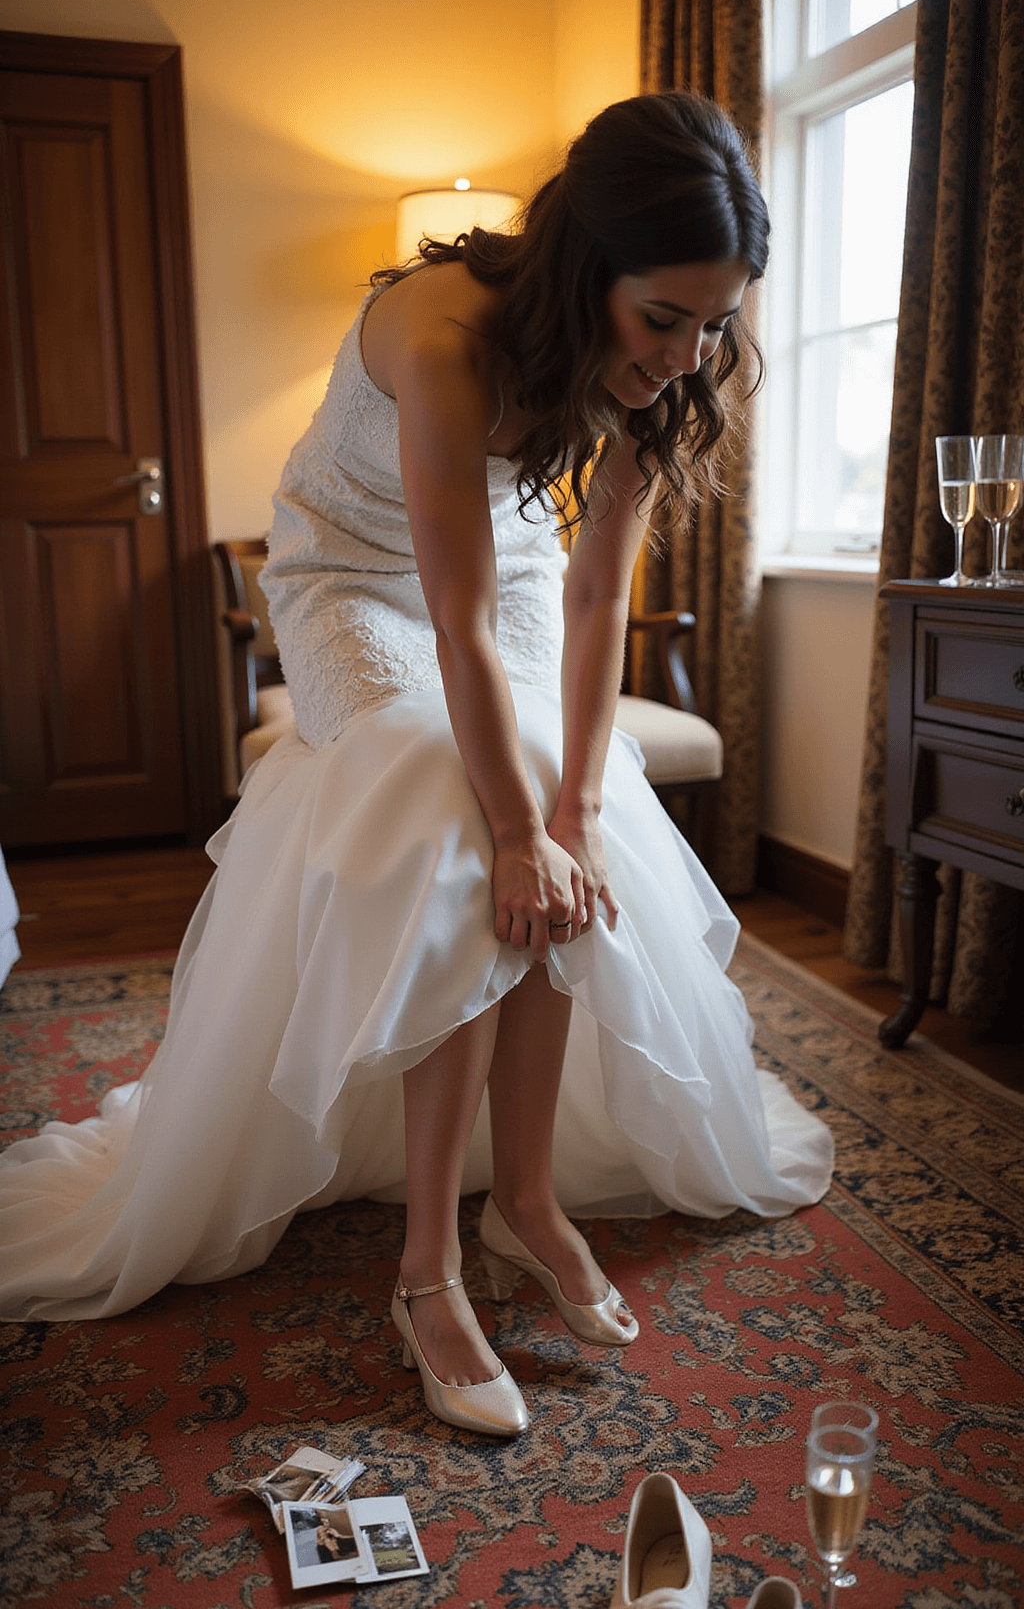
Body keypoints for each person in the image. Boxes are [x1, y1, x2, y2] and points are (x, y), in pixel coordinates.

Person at [0, 92, 833, 1425]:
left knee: (564, 817)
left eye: (717, 322)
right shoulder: (444, 333)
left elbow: (589, 597)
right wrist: (512, 830)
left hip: (508, 574)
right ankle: (426, 1270)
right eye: (663, 319)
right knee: (465, 819)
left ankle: (527, 1200)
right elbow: (452, 626)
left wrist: (567, 811)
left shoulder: (683, 355)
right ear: (585, 271)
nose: (688, 356)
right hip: (352, 581)